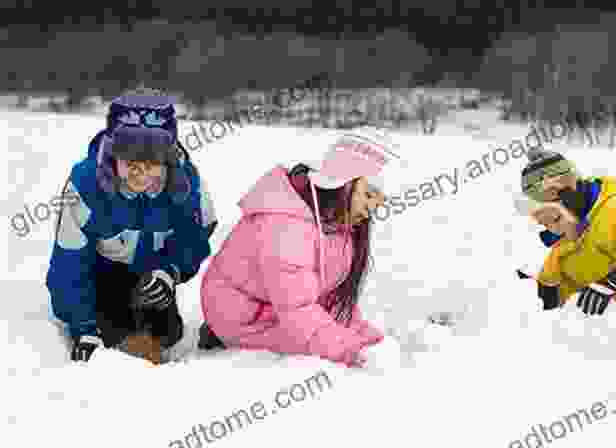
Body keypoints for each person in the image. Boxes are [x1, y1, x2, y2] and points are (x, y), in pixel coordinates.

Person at [198, 127, 397, 367]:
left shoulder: (335, 218)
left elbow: (328, 298)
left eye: (379, 199)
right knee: (311, 342)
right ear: (343, 184)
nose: (373, 208)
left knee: (350, 339)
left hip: (276, 305)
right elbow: (299, 311)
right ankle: (218, 335)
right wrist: (353, 351)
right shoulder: (287, 229)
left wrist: (370, 339)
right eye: (368, 195)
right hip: (242, 314)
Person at [46, 88, 218, 364]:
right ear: (113, 152)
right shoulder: (86, 185)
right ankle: (109, 329)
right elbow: (69, 264)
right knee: (119, 339)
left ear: (168, 155)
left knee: (168, 334)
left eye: (152, 158)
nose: (141, 168)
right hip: (101, 274)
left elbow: (195, 240)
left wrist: (170, 272)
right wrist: (84, 329)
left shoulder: (186, 185)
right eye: (129, 156)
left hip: (151, 272)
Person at [516, 147, 616, 350]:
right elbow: (558, 284)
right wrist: (537, 294)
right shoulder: (567, 242)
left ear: (568, 196)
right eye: (542, 221)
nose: (550, 227)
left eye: (552, 217)